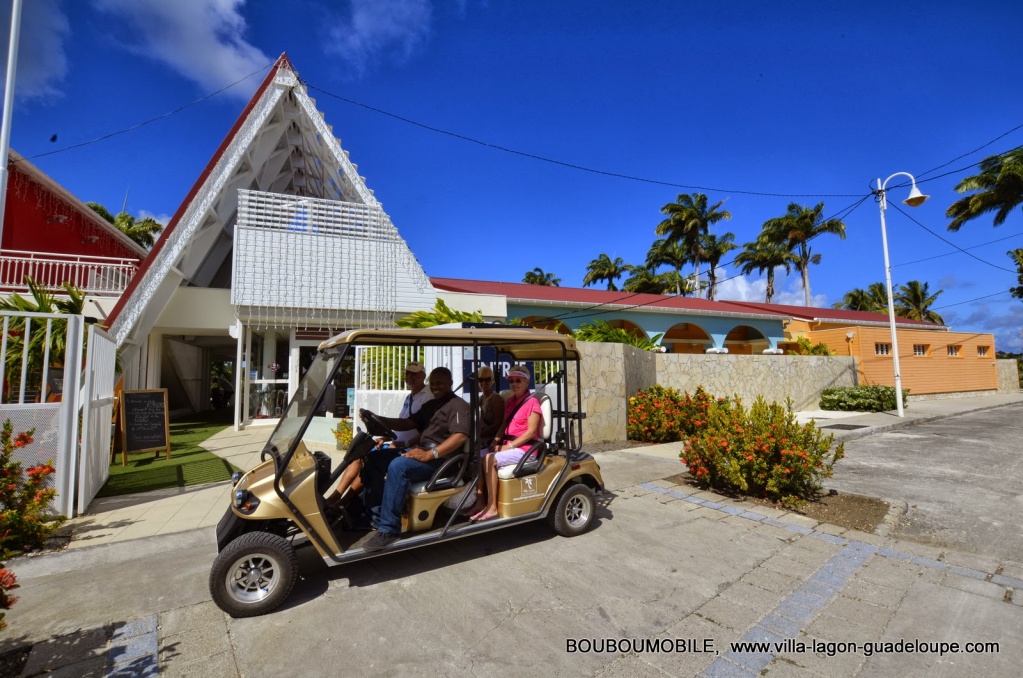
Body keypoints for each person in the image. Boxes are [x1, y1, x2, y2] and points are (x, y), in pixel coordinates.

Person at [361, 366, 470, 551]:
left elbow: (460, 435)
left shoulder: (458, 405)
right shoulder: (431, 406)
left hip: (442, 460)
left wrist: (430, 454)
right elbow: (407, 423)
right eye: (433, 383)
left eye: (440, 383)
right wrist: (379, 419)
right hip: (423, 453)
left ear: (450, 383)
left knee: (398, 466)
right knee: (374, 458)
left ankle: (389, 530)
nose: (435, 386)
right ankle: (376, 517)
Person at [325, 361, 431, 508]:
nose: (409, 376)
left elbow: (423, 428)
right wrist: (385, 437)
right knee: (358, 455)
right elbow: (401, 426)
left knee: (369, 459)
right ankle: (336, 496)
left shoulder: (428, 397)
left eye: (414, 373)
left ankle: (343, 501)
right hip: (397, 443)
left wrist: (406, 444)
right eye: (407, 373)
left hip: (409, 447)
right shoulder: (410, 397)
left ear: (423, 375)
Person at [470, 364, 543, 523]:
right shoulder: (510, 401)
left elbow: (530, 432)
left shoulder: (532, 403)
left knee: (489, 459)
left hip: (525, 449)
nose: (514, 384)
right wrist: (496, 440)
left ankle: (492, 507)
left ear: (526, 383)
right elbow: (503, 424)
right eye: (511, 381)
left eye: (518, 380)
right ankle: (480, 501)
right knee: (477, 457)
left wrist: (508, 446)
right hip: (511, 446)